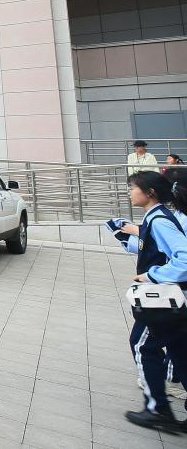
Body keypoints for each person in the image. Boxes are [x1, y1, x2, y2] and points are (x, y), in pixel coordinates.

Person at [115, 172, 187, 432]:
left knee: (143, 345)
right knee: (179, 351)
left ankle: (157, 410)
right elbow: (154, 249)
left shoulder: (159, 220)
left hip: (164, 299)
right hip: (172, 298)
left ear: (150, 192)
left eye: (133, 188)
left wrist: (151, 274)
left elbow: (185, 259)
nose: (129, 192)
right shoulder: (155, 217)